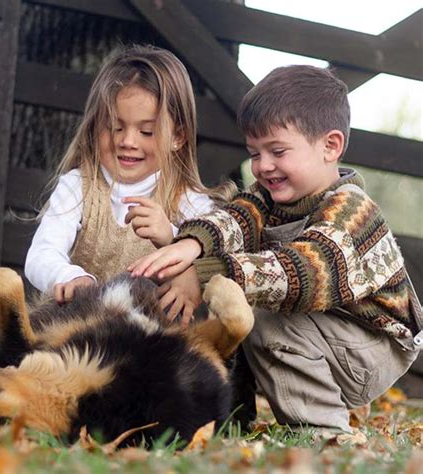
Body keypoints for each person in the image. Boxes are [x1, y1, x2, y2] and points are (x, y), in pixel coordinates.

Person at [129, 65, 422, 433]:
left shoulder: (352, 211)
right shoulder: (268, 198)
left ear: (330, 146)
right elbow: (235, 220)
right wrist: (190, 246)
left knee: (261, 310)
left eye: (278, 151)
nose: (263, 166)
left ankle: (322, 432)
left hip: (374, 346)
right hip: (329, 331)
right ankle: (229, 416)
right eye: (254, 153)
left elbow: (300, 272)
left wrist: (203, 274)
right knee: (239, 304)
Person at [25, 44, 234, 303]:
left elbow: (220, 262)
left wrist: (172, 237)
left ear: (177, 137)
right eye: (115, 127)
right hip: (77, 328)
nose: (128, 141)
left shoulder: (189, 201)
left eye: (146, 132)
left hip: (147, 336)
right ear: (95, 125)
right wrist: (67, 276)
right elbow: (42, 253)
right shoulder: (77, 186)